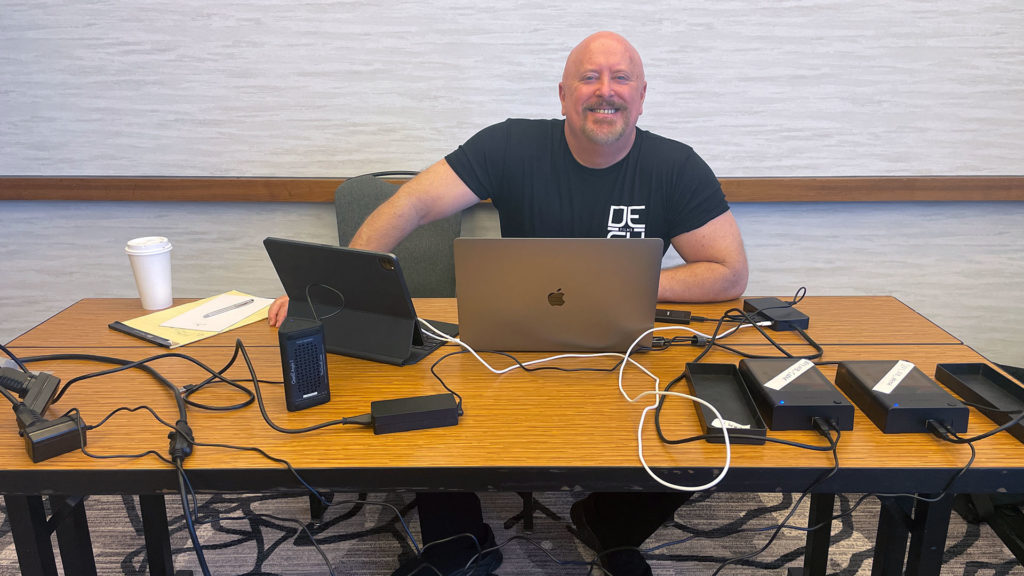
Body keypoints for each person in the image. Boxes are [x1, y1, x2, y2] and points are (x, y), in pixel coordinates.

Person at [270, 30, 747, 576]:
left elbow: (728, 272)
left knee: (714, 421)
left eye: (621, 78)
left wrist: (622, 281)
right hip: (511, 341)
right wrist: (336, 282)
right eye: (589, 77)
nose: (605, 91)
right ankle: (459, 539)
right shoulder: (510, 144)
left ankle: (611, 523)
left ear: (642, 95)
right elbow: (414, 202)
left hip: (627, 345)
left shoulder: (675, 166)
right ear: (563, 94)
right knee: (425, 388)